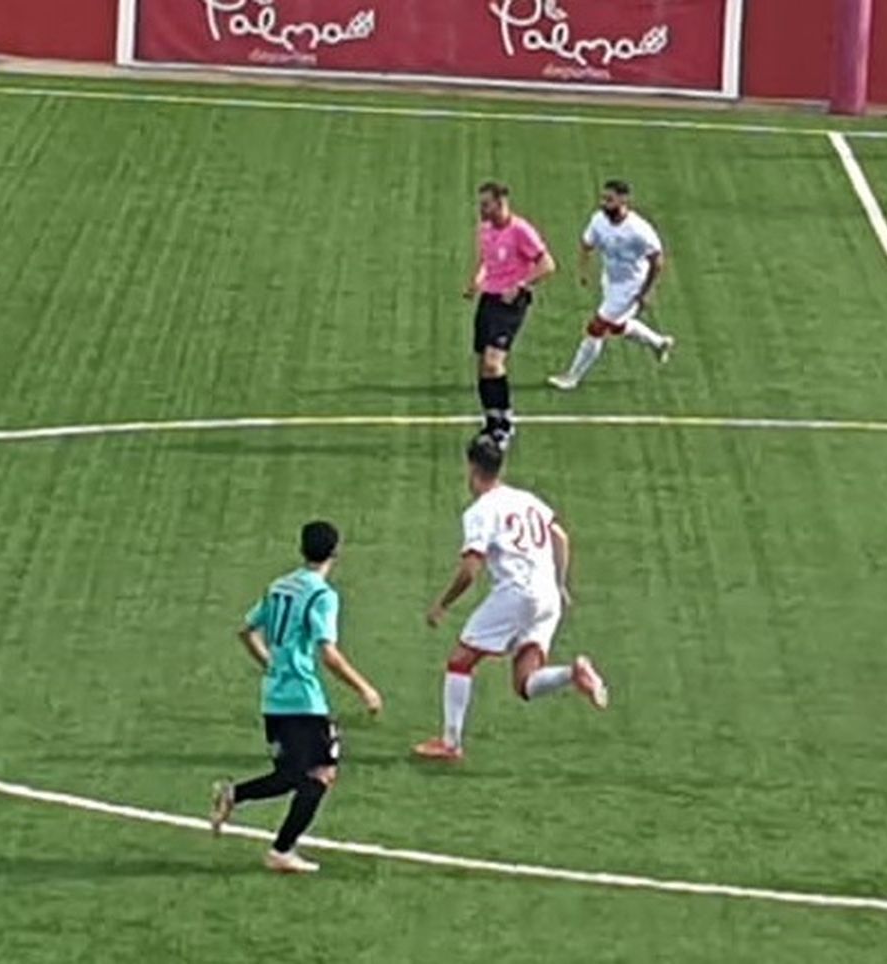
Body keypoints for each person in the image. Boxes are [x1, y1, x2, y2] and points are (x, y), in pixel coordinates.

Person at [414, 436, 608, 763]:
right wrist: (560, 584)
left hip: (518, 592)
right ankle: (572, 674)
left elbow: (470, 570)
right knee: (524, 683)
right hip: (547, 594)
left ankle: (450, 743)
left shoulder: (480, 511)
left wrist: (442, 605)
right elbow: (560, 536)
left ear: (472, 468)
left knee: (461, 660)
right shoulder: (526, 499)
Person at [209, 521, 383, 874]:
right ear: (335, 552)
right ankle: (281, 851)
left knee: (292, 774)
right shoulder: (322, 596)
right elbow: (328, 654)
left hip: (274, 698)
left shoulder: (279, 587)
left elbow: (246, 631)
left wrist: (271, 664)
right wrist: (364, 688)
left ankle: (233, 795)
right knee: (320, 774)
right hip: (304, 699)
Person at [549, 180, 674, 390]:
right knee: (617, 327)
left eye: (609, 199)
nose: (604, 203)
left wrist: (647, 291)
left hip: (631, 285)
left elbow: (657, 261)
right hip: (611, 281)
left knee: (595, 328)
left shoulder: (639, 230)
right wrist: (584, 269)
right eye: (603, 198)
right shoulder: (599, 220)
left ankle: (572, 377)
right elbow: (587, 244)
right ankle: (660, 343)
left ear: (623, 200)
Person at [464, 181, 556, 449]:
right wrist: (477, 281)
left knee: (494, 363)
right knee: (483, 365)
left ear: (501, 203)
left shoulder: (521, 231)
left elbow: (547, 264)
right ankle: (491, 421)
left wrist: (520, 286)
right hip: (489, 298)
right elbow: (487, 261)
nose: (481, 209)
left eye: (486, 204)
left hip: (511, 302)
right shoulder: (485, 229)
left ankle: (505, 423)